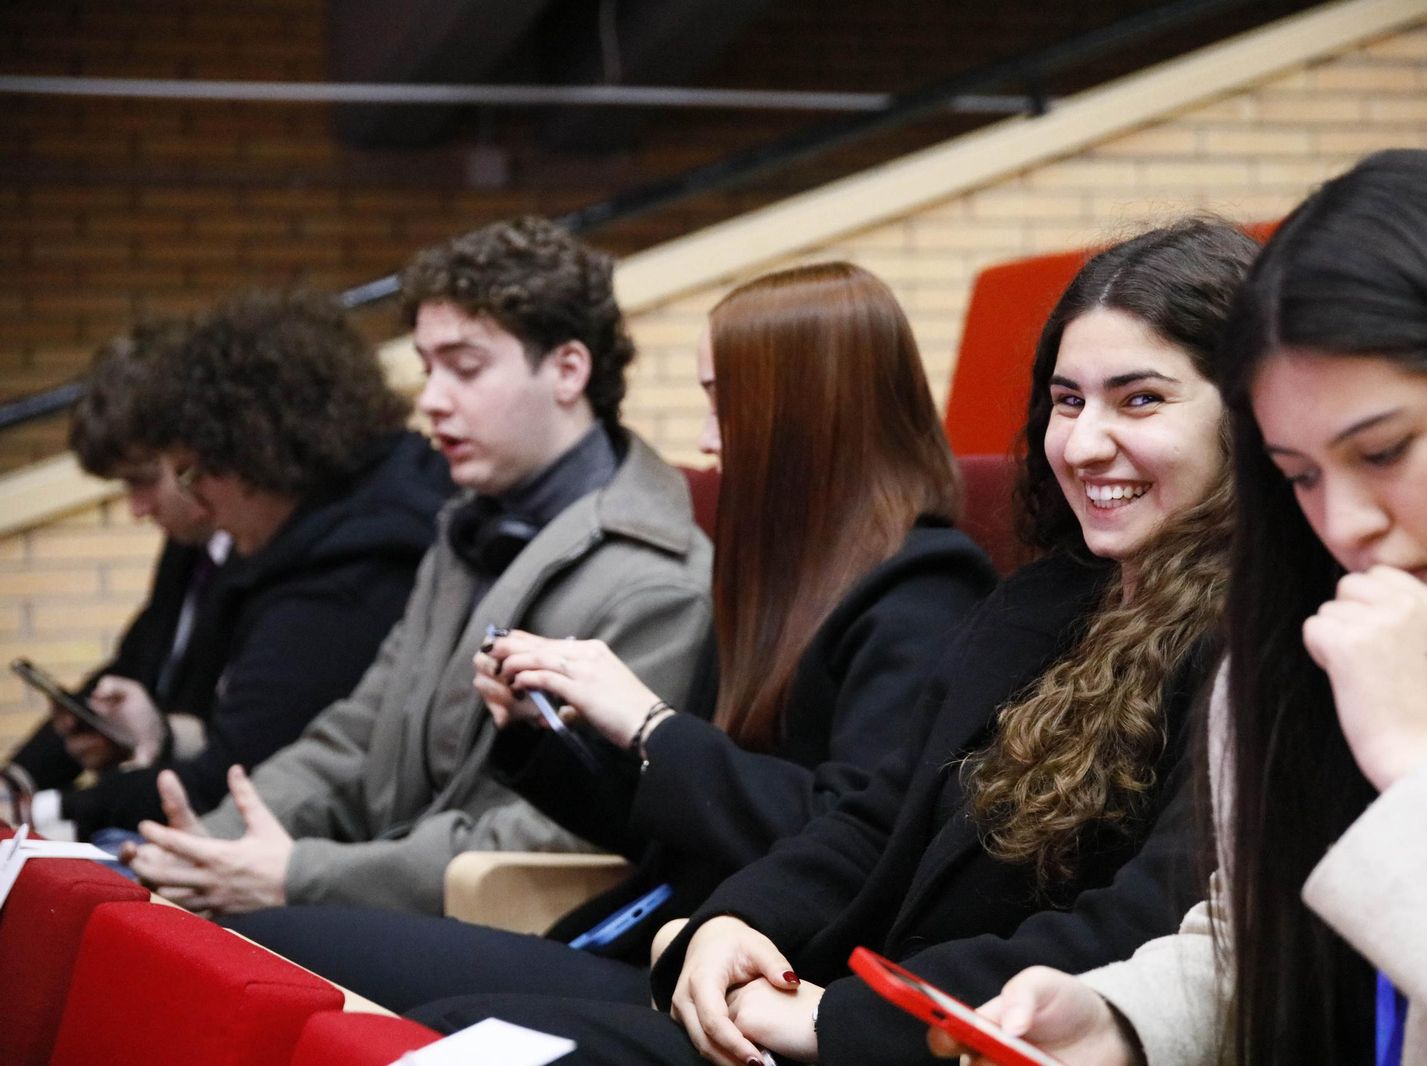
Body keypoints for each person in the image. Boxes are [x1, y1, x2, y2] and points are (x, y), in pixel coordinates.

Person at [409, 218, 1259, 1066]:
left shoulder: (1251, 641)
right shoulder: (1042, 598)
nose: (1080, 442)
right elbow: (871, 820)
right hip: (800, 994)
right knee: (437, 1038)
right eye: (1067, 402)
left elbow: (1143, 927)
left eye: (1139, 399)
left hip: (924, 1034)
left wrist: (837, 1015)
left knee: (452, 1044)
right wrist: (736, 922)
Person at [937, 150, 1427, 1066]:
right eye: (1299, 476)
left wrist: (1425, 769)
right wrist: (1120, 1019)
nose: (1345, 524)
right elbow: (1257, 941)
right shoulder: (1304, 630)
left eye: (1385, 451)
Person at [208, 260, 997, 1011]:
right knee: (253, 947)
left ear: (801, 415)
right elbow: (682, 825)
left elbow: (849, 836)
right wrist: (541, 738)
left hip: (755, 972)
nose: (709, 440)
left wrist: (649, 724)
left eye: (725, 403)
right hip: (663, 933)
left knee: (313, 961)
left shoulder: (922, 591)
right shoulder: (789, 582)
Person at [126, 216, 714, 917]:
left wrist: (300, 875)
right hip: (396, 895)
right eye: (428, 368)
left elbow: (554, 845)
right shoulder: (467, 525)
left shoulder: (656, 580)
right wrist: (214, 846)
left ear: (567, 370)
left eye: (464, 367)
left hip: (507, 932)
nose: (431, 398)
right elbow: (356, 735)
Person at [32, 291, 454, 839]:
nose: (197, 503)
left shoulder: (354, 565)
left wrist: (55, 814)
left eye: (189, 475)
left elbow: (235, 779)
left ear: (254, 454)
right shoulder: (332, 531)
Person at [1, 321, 228, 829]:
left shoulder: (263, 557)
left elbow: (234, 744)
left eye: (143, 481)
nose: (137, 510)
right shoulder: (186, 549)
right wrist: (19, 780)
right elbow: (133, 665)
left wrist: (48, 807)